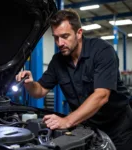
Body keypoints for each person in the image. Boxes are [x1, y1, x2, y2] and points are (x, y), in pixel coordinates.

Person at [16, 9, 132, 150]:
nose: (60, 43)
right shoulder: (57, 61)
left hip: (117, 127)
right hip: (87, 125)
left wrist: (67, 121)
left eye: (65, 36)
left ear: (79, 33)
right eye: (56, 37)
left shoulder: (102, 51)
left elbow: (102, 95)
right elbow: (39, 90)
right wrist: (30, 84)